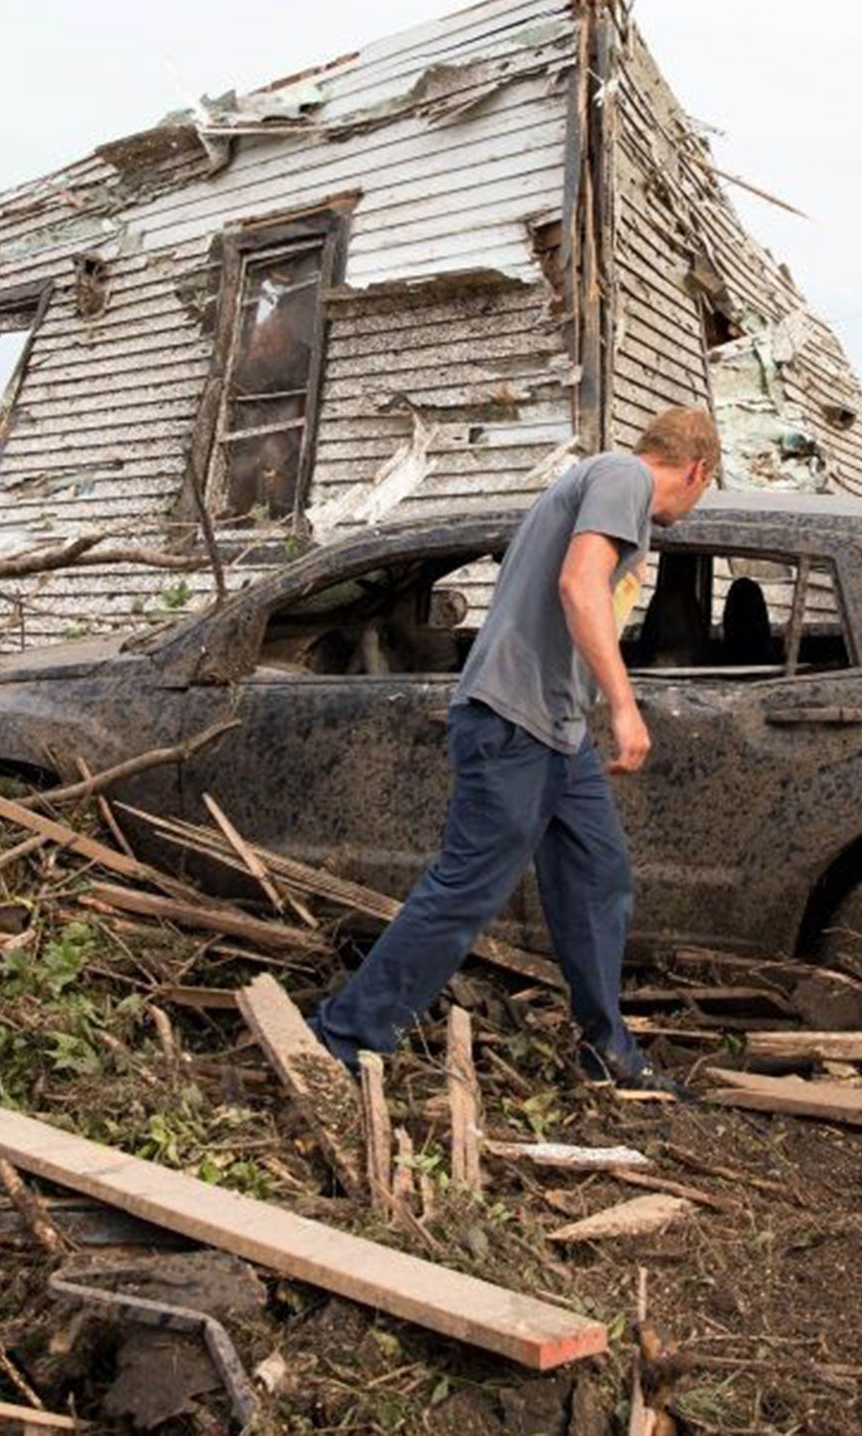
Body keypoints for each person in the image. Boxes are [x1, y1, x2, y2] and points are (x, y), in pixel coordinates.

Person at [309, 407, 722, 1095]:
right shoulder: (624, 476)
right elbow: (579, 585)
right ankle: (346, 1037)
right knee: (466, 890)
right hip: (513, 721)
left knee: (598, 875)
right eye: (703, 489)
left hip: (556, 730)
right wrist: (624, 705)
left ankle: (605, 1050)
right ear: (695, 469)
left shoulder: (605, 486)